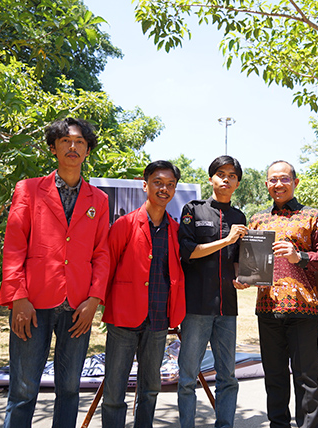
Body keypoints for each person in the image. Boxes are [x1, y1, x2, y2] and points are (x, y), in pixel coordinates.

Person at [0, 117, 110, 428]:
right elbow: (14, 247)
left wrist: (94, 298)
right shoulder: (29, 190)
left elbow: (102, 253)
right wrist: (18, 297)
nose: (72, 146)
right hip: (33, 302)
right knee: (23, 389)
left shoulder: (98, 200)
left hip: (78, 305)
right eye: (65, 141)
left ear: (88, 150)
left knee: (70, 388)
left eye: (79, 142)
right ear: (53, 148)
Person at [234, 160, 318, 428]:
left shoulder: (313, 216)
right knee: (275, 378)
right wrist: (245, 280)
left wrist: (299, 256)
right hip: (267, 309)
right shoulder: (257, 219)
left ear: (295, 182)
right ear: (266, 184)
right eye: (273, 180)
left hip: (305, 311)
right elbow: (250, 264)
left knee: (307, 380)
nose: (278, 184)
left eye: (284, 179)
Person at [101, 160, 186, 428]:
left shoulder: (175, 229)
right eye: (158, 182)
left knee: (150, 389)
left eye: (170, 184)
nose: (164, 188)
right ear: (145, 184)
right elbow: (107, 268)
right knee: (114, 390)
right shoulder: (125, 225)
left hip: (159, 320)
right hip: (124, 318)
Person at [177, 155, 248, 428]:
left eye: (232, 176)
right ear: (211, 179)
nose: (226, 179)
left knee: (227, 376)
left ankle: (225, 424)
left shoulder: (238, 216)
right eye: (221, 174)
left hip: (227, 308)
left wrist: (242, 276)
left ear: (237, 183)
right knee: (187, 376)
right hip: (196, 306)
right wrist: (227, 239)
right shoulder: (193, 210)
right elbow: (189, 252)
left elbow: (238, 259)